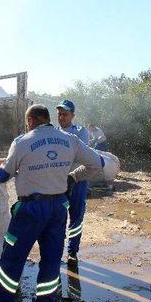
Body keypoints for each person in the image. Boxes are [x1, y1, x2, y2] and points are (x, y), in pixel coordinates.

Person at [0, 104, 103, 302]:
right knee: (51, 260)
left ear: (33, 120)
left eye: (28, 121)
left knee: (11, 258)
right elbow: (97, 163)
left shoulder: (22, 141)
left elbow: (4, 173)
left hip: (29, 210)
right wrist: (73, 177)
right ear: (48, 119)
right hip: (57, 209)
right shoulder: (70, 140)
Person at [56, 100, 90, 264]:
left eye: (65, 114)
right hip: (58, 182)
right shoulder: (53, 132)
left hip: (77, 180)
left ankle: (72, 252)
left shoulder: (81, 132)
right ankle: (56, 250)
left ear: (72, 115)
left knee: (76, 218)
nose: (61, 117)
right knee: (58, 218)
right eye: (59, 114)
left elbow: (76, 153)